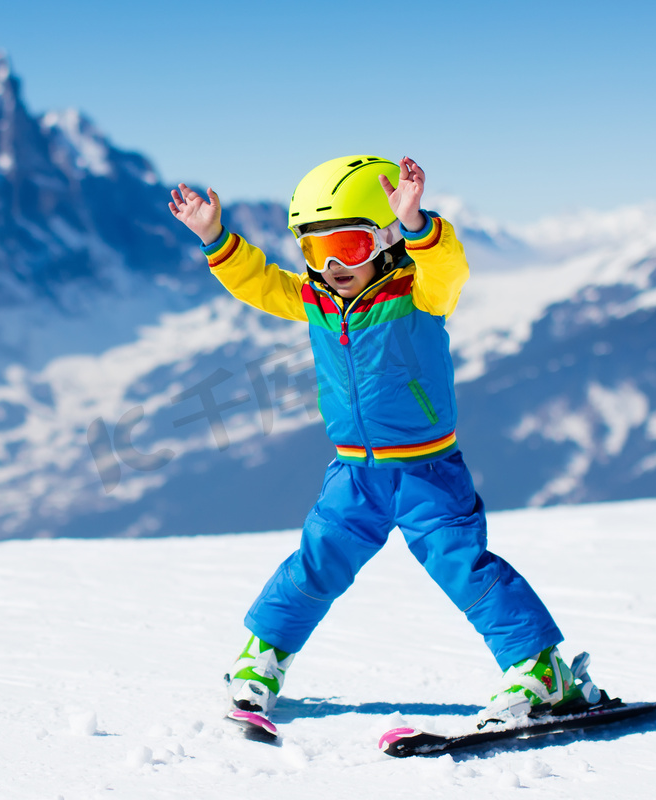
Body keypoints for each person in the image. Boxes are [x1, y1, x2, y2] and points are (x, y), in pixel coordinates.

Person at [168, 155, 600, 731]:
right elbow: (262, 284)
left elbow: (450, 268)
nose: (332, 265)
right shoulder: (318, 299)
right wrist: (215, 237)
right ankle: (263, 658)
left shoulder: (420, 294)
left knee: (463, 567)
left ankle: (542, 670)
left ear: (385, 239)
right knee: (317, 561)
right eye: (316, 251)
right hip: (354, 474)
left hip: (427, 472)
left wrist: (419, 224)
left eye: (348, 245)